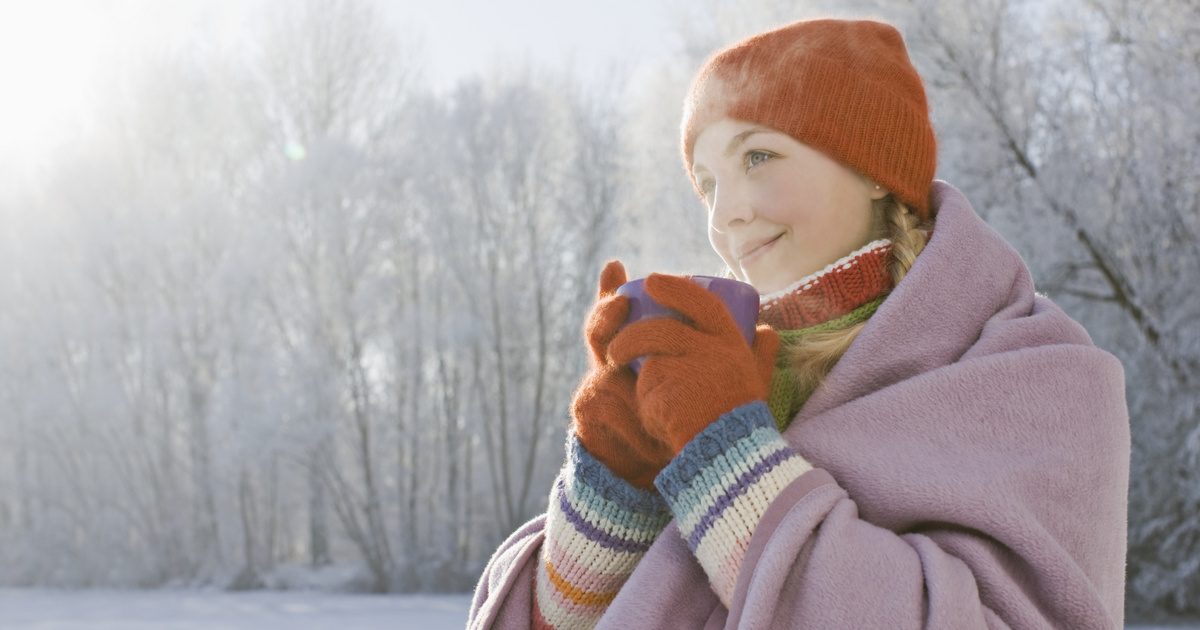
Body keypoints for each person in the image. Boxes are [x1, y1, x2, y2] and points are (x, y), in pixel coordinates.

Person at [468, 17, 1129, 630]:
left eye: (757, 157)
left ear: (872, 168)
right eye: (707, 183)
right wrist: (613, 495)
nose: (724, 216)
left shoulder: (1045, 381)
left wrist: (727, 459)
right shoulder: (725, 377)